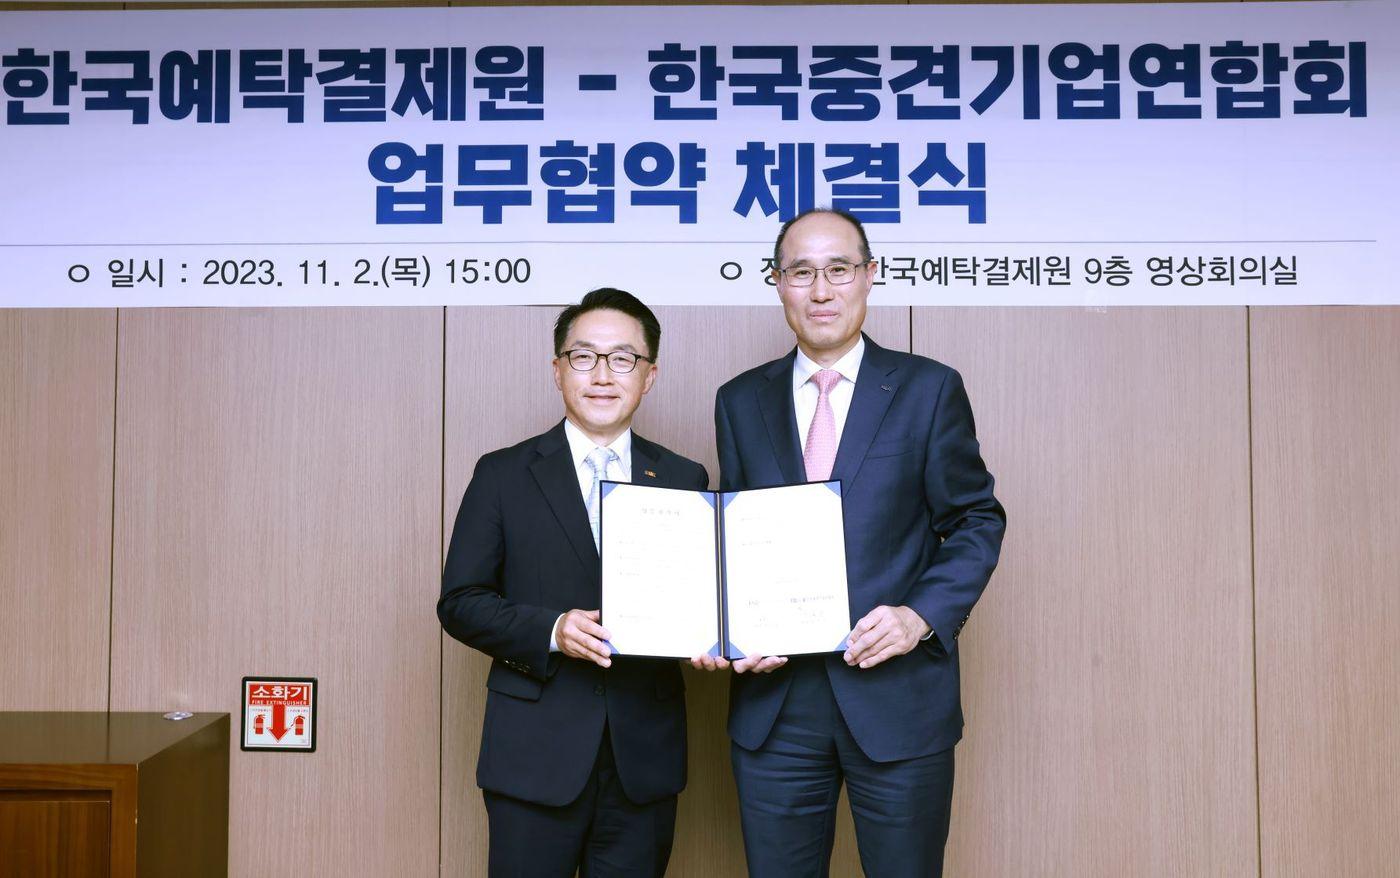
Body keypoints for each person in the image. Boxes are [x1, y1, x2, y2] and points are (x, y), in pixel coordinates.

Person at [711, 208, 1006, 877]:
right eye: (801, 272)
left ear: (869, 276)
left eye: (839, 270)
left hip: (897, 698)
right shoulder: (739, 400)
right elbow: (734, 537)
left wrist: (918, 616)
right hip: (775, 708)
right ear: (777, 282)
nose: (821, 290)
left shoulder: (929, 389)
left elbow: (976, 520)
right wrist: (727, 630)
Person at [439, 288, 708, 877]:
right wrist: (553, 630)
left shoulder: (684, 478)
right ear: (558, 370)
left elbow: (700, 602)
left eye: (623, 359)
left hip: (644, 758)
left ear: (650, 375)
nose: (603, 375)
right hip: (534, 755)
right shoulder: (503, 473)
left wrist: (717, 637)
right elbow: (460, 602)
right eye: (584, 357)